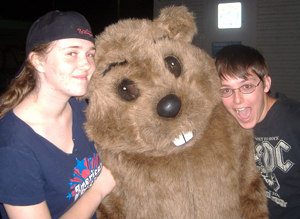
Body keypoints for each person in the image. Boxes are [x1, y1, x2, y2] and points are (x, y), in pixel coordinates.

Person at [0, 11, 116, 219]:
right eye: (72, 53)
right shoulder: (13, 147)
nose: (87, 64)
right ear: (38, 61)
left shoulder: (80, 108)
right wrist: (98, 190)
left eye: (90, 54)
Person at [215, 44, 300, 219]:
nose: (237, 100)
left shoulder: (294, 121)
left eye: (247, 87)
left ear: (266, 83)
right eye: (226, 90)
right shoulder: (226, 126)